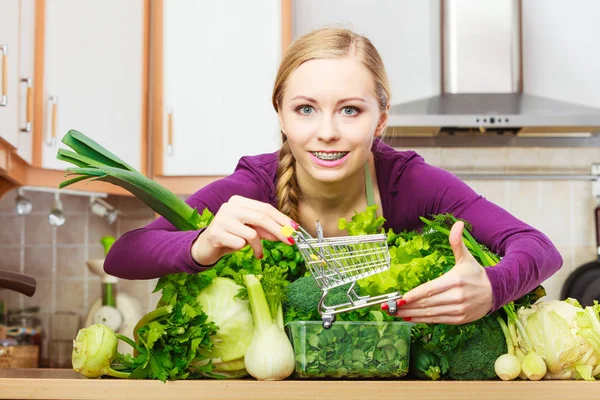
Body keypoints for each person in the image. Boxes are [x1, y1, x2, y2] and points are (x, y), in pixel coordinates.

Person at [105, 27, 562, 325]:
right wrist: (201, 243)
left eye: (349, 110)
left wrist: (493, 286)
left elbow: (539, 247)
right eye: (306, 109)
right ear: (281, 116)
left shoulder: (409, 183)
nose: (327, 133)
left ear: (380, 120)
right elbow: (124, 256)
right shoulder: (255, 184)